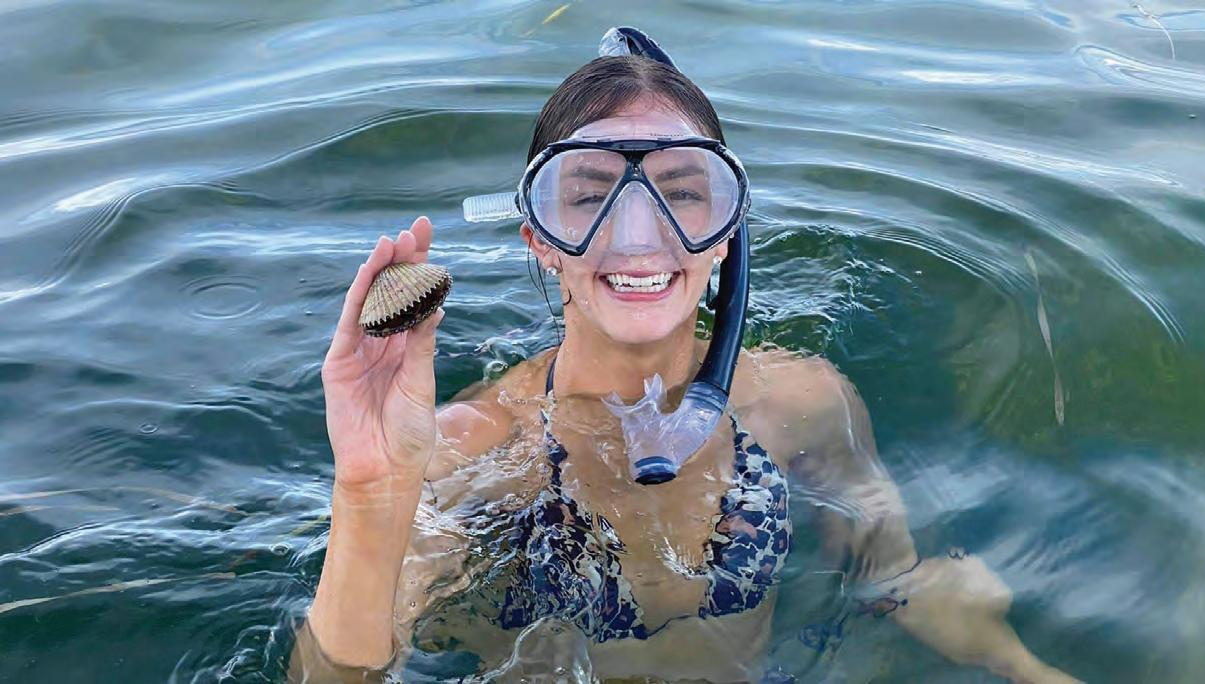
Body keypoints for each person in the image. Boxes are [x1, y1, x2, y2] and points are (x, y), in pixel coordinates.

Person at [291, 29, 1080, 684]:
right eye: (590, 195)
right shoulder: (470, 448)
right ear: (540, 239)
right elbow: (340, 676)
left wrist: (1030, 669)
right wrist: (369, 490)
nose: (639, 235)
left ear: (727, 230)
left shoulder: (801, 400)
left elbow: (893, 578)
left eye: (681, 192)